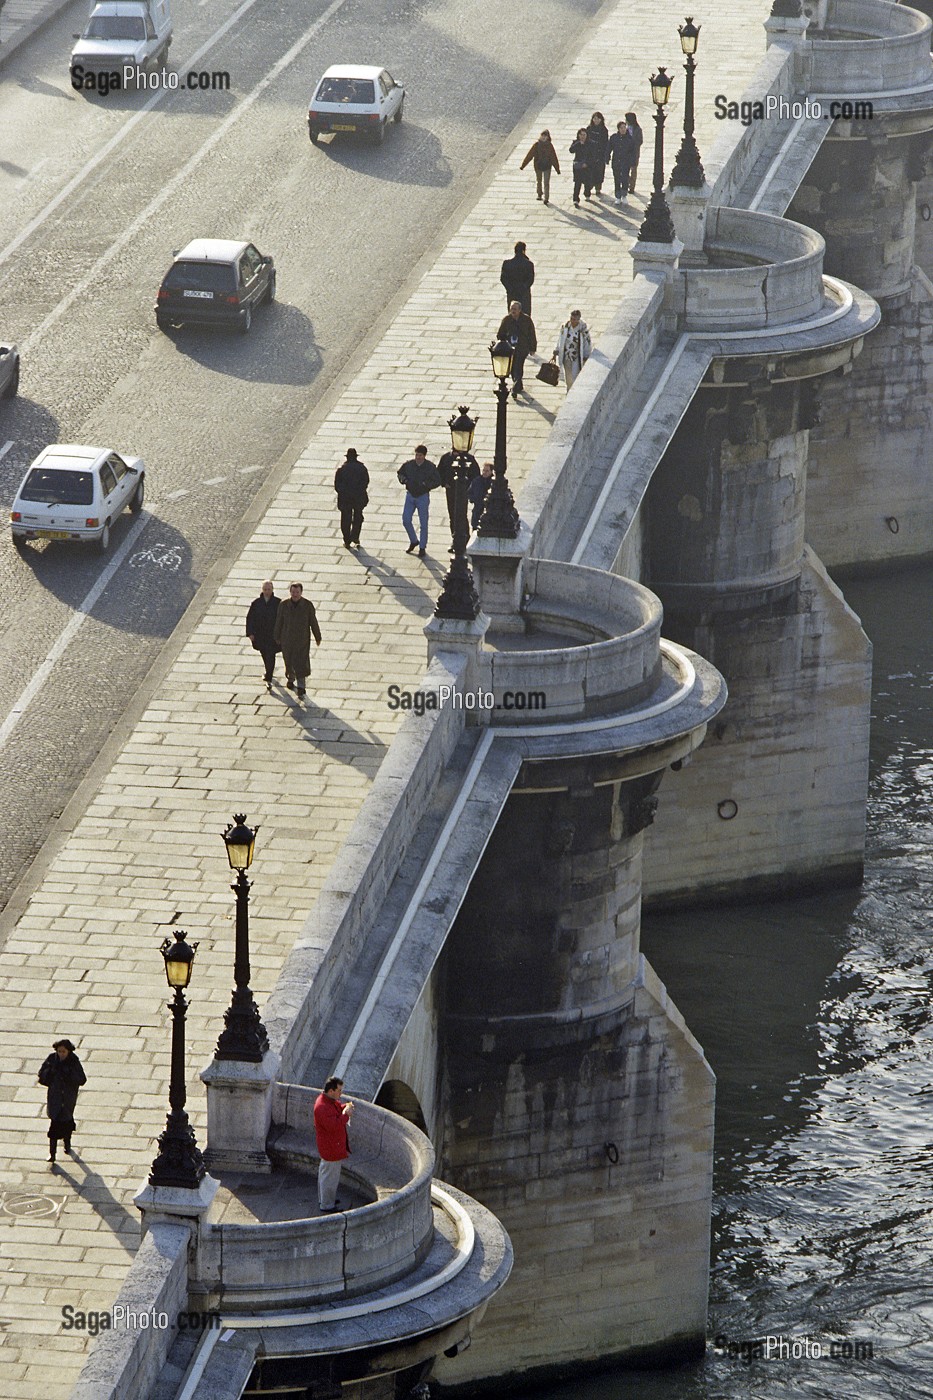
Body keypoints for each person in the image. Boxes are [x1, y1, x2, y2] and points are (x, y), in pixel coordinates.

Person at [38, 1039, 87, 1165]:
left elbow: (81, 1079)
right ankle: (52, 1153)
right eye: (59, 1051)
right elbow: (42, 1076)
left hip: (68, 1098)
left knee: (67, 1122)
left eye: (63, 1051)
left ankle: (67, 1144)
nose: (61, 1054)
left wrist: (69, 1074)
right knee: (54, 1126)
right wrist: (51, 1073)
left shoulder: (73, 1061)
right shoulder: (51, 1060)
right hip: (55, 1098)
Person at [273, 582, 321, 700]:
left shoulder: (307, 605)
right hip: (287, 639)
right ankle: (290, 678)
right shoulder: (284, 605)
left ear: (301, 592)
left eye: (297, 592)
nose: (295, 594)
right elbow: (279, 621)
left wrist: (317, 636)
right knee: (288, 661)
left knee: (301, 663)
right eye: (293, 592)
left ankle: (301, 687)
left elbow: (313, 622)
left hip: (301, 640)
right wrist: (277, 636)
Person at [314, 1076, 354, 1213]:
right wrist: (346, 1115)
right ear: (331, 1091)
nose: (340, 1094)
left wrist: (344, 1107)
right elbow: (333, 1125)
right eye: (339, 1091)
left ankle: (325, 1200)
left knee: (326, 1174)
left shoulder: (327, 1101)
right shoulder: (322, 1107)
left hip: (330, 1146)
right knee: (329, 1177)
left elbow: (335, 1111)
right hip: (331, 1147)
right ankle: (327, 1205)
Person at [397, 445, 441, 556]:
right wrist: (404, 480)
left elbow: (437, 480)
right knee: (406, 519)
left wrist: (426, 485)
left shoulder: (430, 467)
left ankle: (422, 547)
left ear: (424, 456)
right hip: (410, 495)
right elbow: (400, 473)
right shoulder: (409, 465)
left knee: (423, 523)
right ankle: (414, 540)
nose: (418, 457)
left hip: (423, 496)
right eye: (416, 455)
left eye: (420, 455)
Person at [437, 448, 480, 547]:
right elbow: (439, 472)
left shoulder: (469, 458)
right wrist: (444, 483)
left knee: (461, 514)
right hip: (451, 490)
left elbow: (475, 475)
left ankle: (465, 537)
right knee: (452, 515)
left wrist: (468, 487)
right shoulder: (446, 458)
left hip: (463, 491)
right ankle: (455, 538)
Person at [497, 300, 537, 399]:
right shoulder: (506, 319)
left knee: (518, 366)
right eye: (511, 309)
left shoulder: (526, 319)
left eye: (515, 309)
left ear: (519, 310)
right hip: (510, 348)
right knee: (512, 368)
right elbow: (500, 333)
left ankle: (515, 388)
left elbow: (532, 334)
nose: (513, 311)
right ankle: (518, 384)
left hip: (522, 347)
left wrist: (532, 348)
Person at [245, 580, 280, 688]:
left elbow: (282, 619)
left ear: (272, 589)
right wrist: (250, 633)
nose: (267, 591)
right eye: (265, 589)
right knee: (264, 653)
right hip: (260, 635)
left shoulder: (278, 603)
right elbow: (250, 618)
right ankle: (268, 671)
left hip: (272, 635)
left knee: (271, 654)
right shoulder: (256, 603)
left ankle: (269, 676)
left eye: (269, 589)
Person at [334, 447, 370, 549]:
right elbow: (366, 482)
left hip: (345, 498)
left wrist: (344, 492)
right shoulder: (362, 468)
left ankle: (347, 540)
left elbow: (337, 485)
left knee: (346, 518)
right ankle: (355, 536)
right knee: (358, 516)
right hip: (358, 497)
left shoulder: (341, 470)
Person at [519, 130, 560, 205]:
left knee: (546, 182)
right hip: (538, 166)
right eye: (543, 136)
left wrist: (557, 169)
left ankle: (546, 198)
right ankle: (539, 193)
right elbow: (529, 156)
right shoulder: (536, 145)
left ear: (548, 137)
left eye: (545, 136)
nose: (544, 137)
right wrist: (523, 165)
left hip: (547, 166)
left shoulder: (550, 146)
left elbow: (553, 157)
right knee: (539, 180)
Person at [554, 310, 592, 389]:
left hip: (577, 357)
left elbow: (587, 343)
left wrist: (586, 355)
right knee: (568, 376)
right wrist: (557, 350)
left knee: (575, 375)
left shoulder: (583, 330)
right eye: (571, 319)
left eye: (574, 319)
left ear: (578, 319)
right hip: (567, 356)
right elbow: (560, 339)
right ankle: (568, 390)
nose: (572, 321)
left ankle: (575, 390)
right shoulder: (565, 327)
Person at [499, 241, 535, 314]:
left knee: (513, 314)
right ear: (523, 251)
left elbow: (503, 278)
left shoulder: (507, 264)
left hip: (512, 294)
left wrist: (510, 289)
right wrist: (523, 288)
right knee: (525, 316)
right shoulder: (528, 264)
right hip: (524, 295)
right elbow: (530, 280)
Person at [607, 120, 636, 204]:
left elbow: (633, 152)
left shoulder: (630, 139)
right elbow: (609, 148)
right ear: (618, 129)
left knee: (624, 178)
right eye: (621, 128)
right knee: (617, 179)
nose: (623, 129)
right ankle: (618, 196)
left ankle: (624, 195)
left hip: (625, 162)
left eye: (624, 127)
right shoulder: (614, 138)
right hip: (616, 161)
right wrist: (607, 157)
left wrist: (632, 163)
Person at [585, 112, 609, 194]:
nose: (596, 120)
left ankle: (598, 187)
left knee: (599, 171)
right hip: (590, 154)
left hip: (600, 155)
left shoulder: (604, 130)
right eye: (594, 118)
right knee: (590, 171)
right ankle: (590, 186)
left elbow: (605, 143)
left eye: (598, 119)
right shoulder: (589, 129)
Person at [468, 461, 494, 529]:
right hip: (477, 510)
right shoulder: (476, 481)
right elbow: (470, 492)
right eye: (484, 470)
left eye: (487, 471)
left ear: (491, 471)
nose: (485, 472)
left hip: (490, 512)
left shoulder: (494, 482)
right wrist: (473, 499)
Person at [569, 128, 591, 207]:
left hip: (586, 166)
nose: (582, 136)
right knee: (577, 183)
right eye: (581, 135)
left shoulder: (590, 143)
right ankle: (575, 199)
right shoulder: (576, 143)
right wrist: (578, 143)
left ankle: (587, 193)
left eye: (584, 135)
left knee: (587, 181)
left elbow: (592, 155)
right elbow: (571, 150)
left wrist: (587, 163)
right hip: (578, 165)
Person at [625, 112, 644, 194]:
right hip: (625, 152)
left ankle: (632, 186)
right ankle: (628, 182)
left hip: (634, 153)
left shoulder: (638, 129)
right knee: (625, 170)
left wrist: (633, 146)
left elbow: (640, 141)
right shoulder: (624, 128)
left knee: (633, 170)